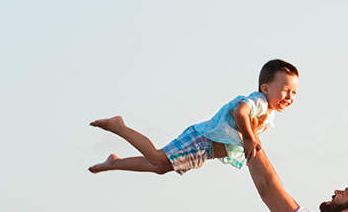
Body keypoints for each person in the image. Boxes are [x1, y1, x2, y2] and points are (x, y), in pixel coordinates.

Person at [88, 59, 298, 175]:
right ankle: (119, 126)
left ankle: (114, 163)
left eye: (294, 93)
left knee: (159, 167)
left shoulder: (267, 112)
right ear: (265, 88)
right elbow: (239, 112)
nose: (289, 97)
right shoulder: (259, 101)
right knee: (157, 158)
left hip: (205, 149)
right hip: (202, 140)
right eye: (285, 90)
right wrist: (251, 139)